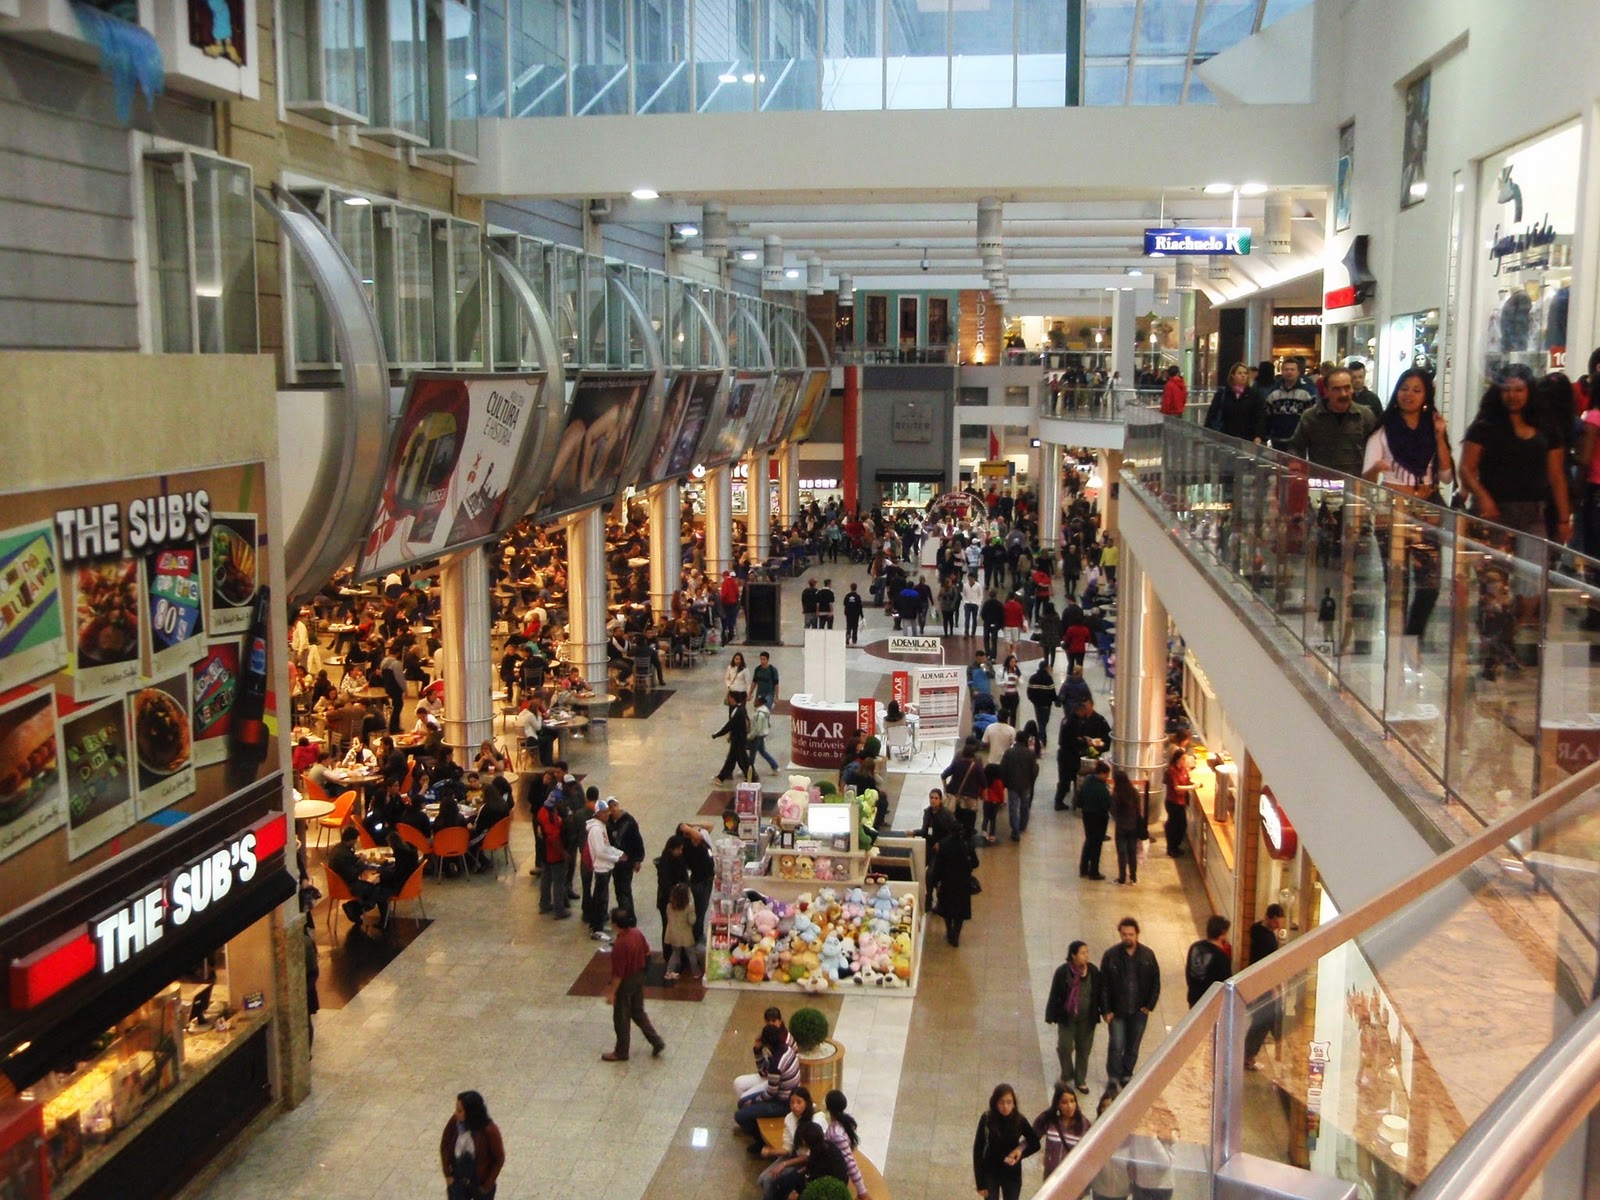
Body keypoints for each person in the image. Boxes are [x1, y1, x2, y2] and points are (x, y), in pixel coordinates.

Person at [1459, 364, 1572, 541]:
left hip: (1534, 512)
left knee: (1534, 567)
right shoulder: (1484, 426)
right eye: (1506, 390)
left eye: (1519, 390)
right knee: (1496, 567)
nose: (1512, 396)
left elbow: (1556, 476)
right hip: (1494, 511)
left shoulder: (1546, 427)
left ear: (1529, 391)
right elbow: (1466, 468)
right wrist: (1483, 497)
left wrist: (1564, 520)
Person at [1101, 917, 1161, 1087]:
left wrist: (1149, 1005)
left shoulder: (1148, 955)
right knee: (1116, 1044)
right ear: (1120, 934)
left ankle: (1127, 1073)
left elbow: (1155, 980)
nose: (1128, 937)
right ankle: (1113, 1076)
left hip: (1138, 1010)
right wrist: (1106, 1010)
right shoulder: (1111, 956)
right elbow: (1104, 985)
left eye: (1131, 934)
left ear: (1137, 934)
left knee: (1133, 1045)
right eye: (1124, 934)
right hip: (1117, 1011)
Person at [1285, 367, 1376, 477]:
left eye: (1347, 388)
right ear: (1326, 391)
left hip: (1354, 487)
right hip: (1321, 486)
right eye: (1336, 389)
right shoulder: (1310, 417)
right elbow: (1295, 447)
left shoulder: (1366, 416)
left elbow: (1374, 453)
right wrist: (1295, 463)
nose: (1343, 394)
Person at [601, 907, 665, 1061]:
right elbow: (647, 952)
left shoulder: (620, 945)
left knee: (621, 1017)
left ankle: (621, 1051)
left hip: (627, 981)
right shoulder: (636, 933)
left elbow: (618, 974)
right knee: (638, 1012)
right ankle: (656, 1040)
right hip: (639, 976)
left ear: (615, 924)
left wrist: (612, 992)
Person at [735, 1008, 801, 1150]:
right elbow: (763, 1072)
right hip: (785, 1092)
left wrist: (752, 1101)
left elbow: (771, 1093)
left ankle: (760, 1141)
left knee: (740, 1115)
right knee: (742, 1103)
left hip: (783, 1102)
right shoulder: (785, 1049)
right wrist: (757, 1051)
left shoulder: (777, 1063)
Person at [1045, 940, 1102, 1095]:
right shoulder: (1062, 972)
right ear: (1073, 955)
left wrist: (1105, 1011)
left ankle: (1080, 1079)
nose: (1086, 956)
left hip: (1087, 1018)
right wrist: (1050, 1014)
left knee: (1084, 1049)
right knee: (1064, 1046)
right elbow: (1054, 994)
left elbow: (1100, 993)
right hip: (1067, 1018)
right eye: (1083, 953)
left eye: (1087, 952)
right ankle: (1067, 1073)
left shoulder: (1093, 972)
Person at [971, 1083, 1040, 1200]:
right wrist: (980, 1183)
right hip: (991, 1170)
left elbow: (1035, 1143)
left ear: (1014, 1103)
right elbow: (978, 1149)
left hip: (1012, 1173)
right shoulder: (987, 1119)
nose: (1005, 1106)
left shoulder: (1019, 1120)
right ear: (995, 1103)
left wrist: (1020, 1152)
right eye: (1001, 1102)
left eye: (1009, 1102)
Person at [1243, 904, 1286, 1071]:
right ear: (1270, 918)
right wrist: (1274, 988)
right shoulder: (1267, 939)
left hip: (1256, 982)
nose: (1278, 928)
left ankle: (1272, 1052)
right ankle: (1249, 1056)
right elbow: (1268, 966)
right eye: (1276, 924)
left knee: (1265, 1019)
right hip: (1264, 985)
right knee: (1264, 1020)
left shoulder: (1256, 929)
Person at [440, 1090, 505, 1200]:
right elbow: (445, 1144)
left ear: (471, 1112)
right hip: (458, 1178)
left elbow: (499, 1158)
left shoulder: (489, 1130)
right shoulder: (454, 1122)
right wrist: (448, 1174)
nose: (456, 1113)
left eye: (460, 1111)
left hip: (480, 1181)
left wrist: (487, 1185)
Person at [928, 818, 979, 946]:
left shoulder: (944, 844)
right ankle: (956, 935)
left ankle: (949, 931)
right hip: (963, 881)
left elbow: (938, 866)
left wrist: (935, 882)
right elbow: (975, 862)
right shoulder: (967, 845)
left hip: (947, 881)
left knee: (947, 908)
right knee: (960, 910)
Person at [1033, 1083, 1092, 1179]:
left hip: (1073, 1178)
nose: (1070, 1106)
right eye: (1064, 1102)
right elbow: (1032, 1138)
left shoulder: (1084, 1124)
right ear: (1057, 1104)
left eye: (1072, 1101)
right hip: (1051, 1177)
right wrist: (1019, 1151)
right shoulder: (1049, 1120)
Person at [585, 800, 625, 941]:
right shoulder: (596, 830)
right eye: (605, 812)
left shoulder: (601, 827)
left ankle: (598, 924)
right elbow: (600, 851)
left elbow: (606, 846)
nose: (608, 814)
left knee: (601, 898)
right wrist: (616, 858)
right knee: (599, 899)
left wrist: (618, 853)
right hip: (601, 868)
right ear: (598, 813)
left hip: (605, 866)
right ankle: (596, 928)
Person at [1262, 357, 1320, 451]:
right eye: (1286, 369)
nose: (1289, 372)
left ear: (1298, 372)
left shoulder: (1308, 392)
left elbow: (1313, 417)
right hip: (1277, 440)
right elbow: (1266, 415)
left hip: (1300, 440)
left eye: (1292, 369)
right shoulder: (1273, 392)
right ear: (1282, 371)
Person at [1204, 362, 1266, 440]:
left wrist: (1258, 435)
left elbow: (1259, 416)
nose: (1243, 376)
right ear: (1232, 375)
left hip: (1246, 438)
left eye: (1245, 373)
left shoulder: (1253, 395)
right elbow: (1212, 414)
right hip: (1224, 436)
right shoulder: (1223, 393)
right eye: (1239, 373)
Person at [607, 798, 646, 918]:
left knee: (625, 889)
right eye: (610, 807)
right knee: (619, 889)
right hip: (616, 862)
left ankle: (629, 916)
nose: (613, 809)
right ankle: (623, 912)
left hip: (627, 862)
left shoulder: (629, 821)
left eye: (615, 805)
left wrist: (638, 860)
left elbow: (637, 841)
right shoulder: (609, 823)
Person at [1185, 915, 1233, 1007]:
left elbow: (1189, 972)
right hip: (1210, 1004)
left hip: (1194, 998)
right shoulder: (1221, 957)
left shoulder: (1195, 947)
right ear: (1223, 933)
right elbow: (1225, 983)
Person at [999, 728, 1038, 842]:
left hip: (1012, 785)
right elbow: (1034, 770)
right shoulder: (1029, 753)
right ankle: (1022, 825)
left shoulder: (1009, 752)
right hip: (1026, 784)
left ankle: (1015, 830)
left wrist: (1005, 782)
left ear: (1015, 739)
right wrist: (1031, 781)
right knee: (1024, 807)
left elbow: (1003, 769)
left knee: (1013, 808)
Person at [535, 791, 570, 918]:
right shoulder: (549, 816)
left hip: (544, 852)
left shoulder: (542, 811)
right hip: (553, 853)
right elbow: (553, 838)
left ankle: (544, 904)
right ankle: (559, 910)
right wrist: (563, 852)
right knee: (558, 882)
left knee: (546, 879)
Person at [1110, 769, 1144, 885]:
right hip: (1133, 826)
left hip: (1121, 827)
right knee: (1132, 852)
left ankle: (1122, 877)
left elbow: (1113, 811)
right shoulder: (1134, 792)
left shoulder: (1116, 794)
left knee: (1121, 853)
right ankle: (1133, 877)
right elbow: (1139, 808)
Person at [662, 881, 700, 982]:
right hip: (685, 935)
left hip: (673, 934)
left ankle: (669, 972)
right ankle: (695, 972)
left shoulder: (669, 906)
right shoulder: (688, 907)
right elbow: (692, 921)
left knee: (675, 953)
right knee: (691, 953)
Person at [712, 699, 754, 785]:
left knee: (742, 760)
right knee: (732, 759)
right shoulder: (741, 709)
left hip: (738, 740)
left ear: (734, 699)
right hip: (739, 739)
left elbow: (729, 726)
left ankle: (752, 777)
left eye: (730, 698)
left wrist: (717, 734)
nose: (728, 699)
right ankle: (721, 777)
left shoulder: (737, 712)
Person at [1162, 749, 1195, 857]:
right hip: (1173, 802)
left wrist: (1193, 783)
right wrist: (1191, 787)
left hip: (1181, 802)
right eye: (1183, 759)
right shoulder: (1172, 771)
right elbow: (1177, 788)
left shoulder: (1183, 769)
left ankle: (1176, 846)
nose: (1185, 761)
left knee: (1182, 825)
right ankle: (1171, 848)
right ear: (1178, 760)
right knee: (1174, 826)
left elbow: (1187, 779)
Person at [749, 696, 781, 774]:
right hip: (763, 734)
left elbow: (757, 727)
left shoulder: (759, 714)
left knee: (752, 754)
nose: (754, 702)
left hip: (757, 736)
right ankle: (774, 766)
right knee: (763, 752)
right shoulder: (766, 711)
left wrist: (751, 736)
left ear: (759, 702)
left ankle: (749, 770)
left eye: (756, 700)